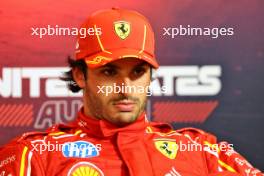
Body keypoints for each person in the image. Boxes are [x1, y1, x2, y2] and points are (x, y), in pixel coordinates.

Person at [0, 8, 262, 176]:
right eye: (109, 72)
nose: (125, 88)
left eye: (137, 72)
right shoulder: (33, 156)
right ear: (81, 75)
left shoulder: (201, 151)